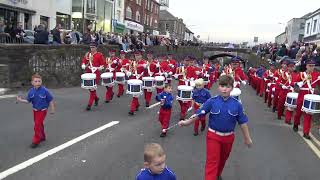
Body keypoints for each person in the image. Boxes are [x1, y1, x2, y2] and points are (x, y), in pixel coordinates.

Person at [179, 75, 253, 180]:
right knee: (212, 161)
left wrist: (247, 138)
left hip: (228, 137)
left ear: (232, 88)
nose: (224, 89)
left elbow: (243, 122)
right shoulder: (212, 101)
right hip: (213, 136)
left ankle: (217, 175)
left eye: (227, 86)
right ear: (218, 87)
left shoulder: (237, 105)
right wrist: (187, 122)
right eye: (222, 86)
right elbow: (199, 113)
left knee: (222, 160)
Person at [16, 74, 55, 148]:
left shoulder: (45, 91)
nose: (37, 83)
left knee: (37, 125)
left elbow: (50, 100)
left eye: (39, 81)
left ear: (41, 82)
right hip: (35, 111)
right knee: (39, 124)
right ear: (32, 83)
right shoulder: (31, 91)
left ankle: (36, 141)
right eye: (36, 81)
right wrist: (20, 100)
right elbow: (28, 101)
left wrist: (52, 109)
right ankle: (42, 136)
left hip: (42, 111)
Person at [81, 42, 105, 110]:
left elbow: (102, 64)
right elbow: (84, 61)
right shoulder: (88, 54)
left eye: (93, 47)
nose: (92, 49)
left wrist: (100, 67)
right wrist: (83, 64)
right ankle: (96, 98)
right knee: (89, 87)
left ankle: (89, 104)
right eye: (91, 47)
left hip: (95, 73)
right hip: (89, 72)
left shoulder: (99, 55)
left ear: (96, 48)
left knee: (92, 88)